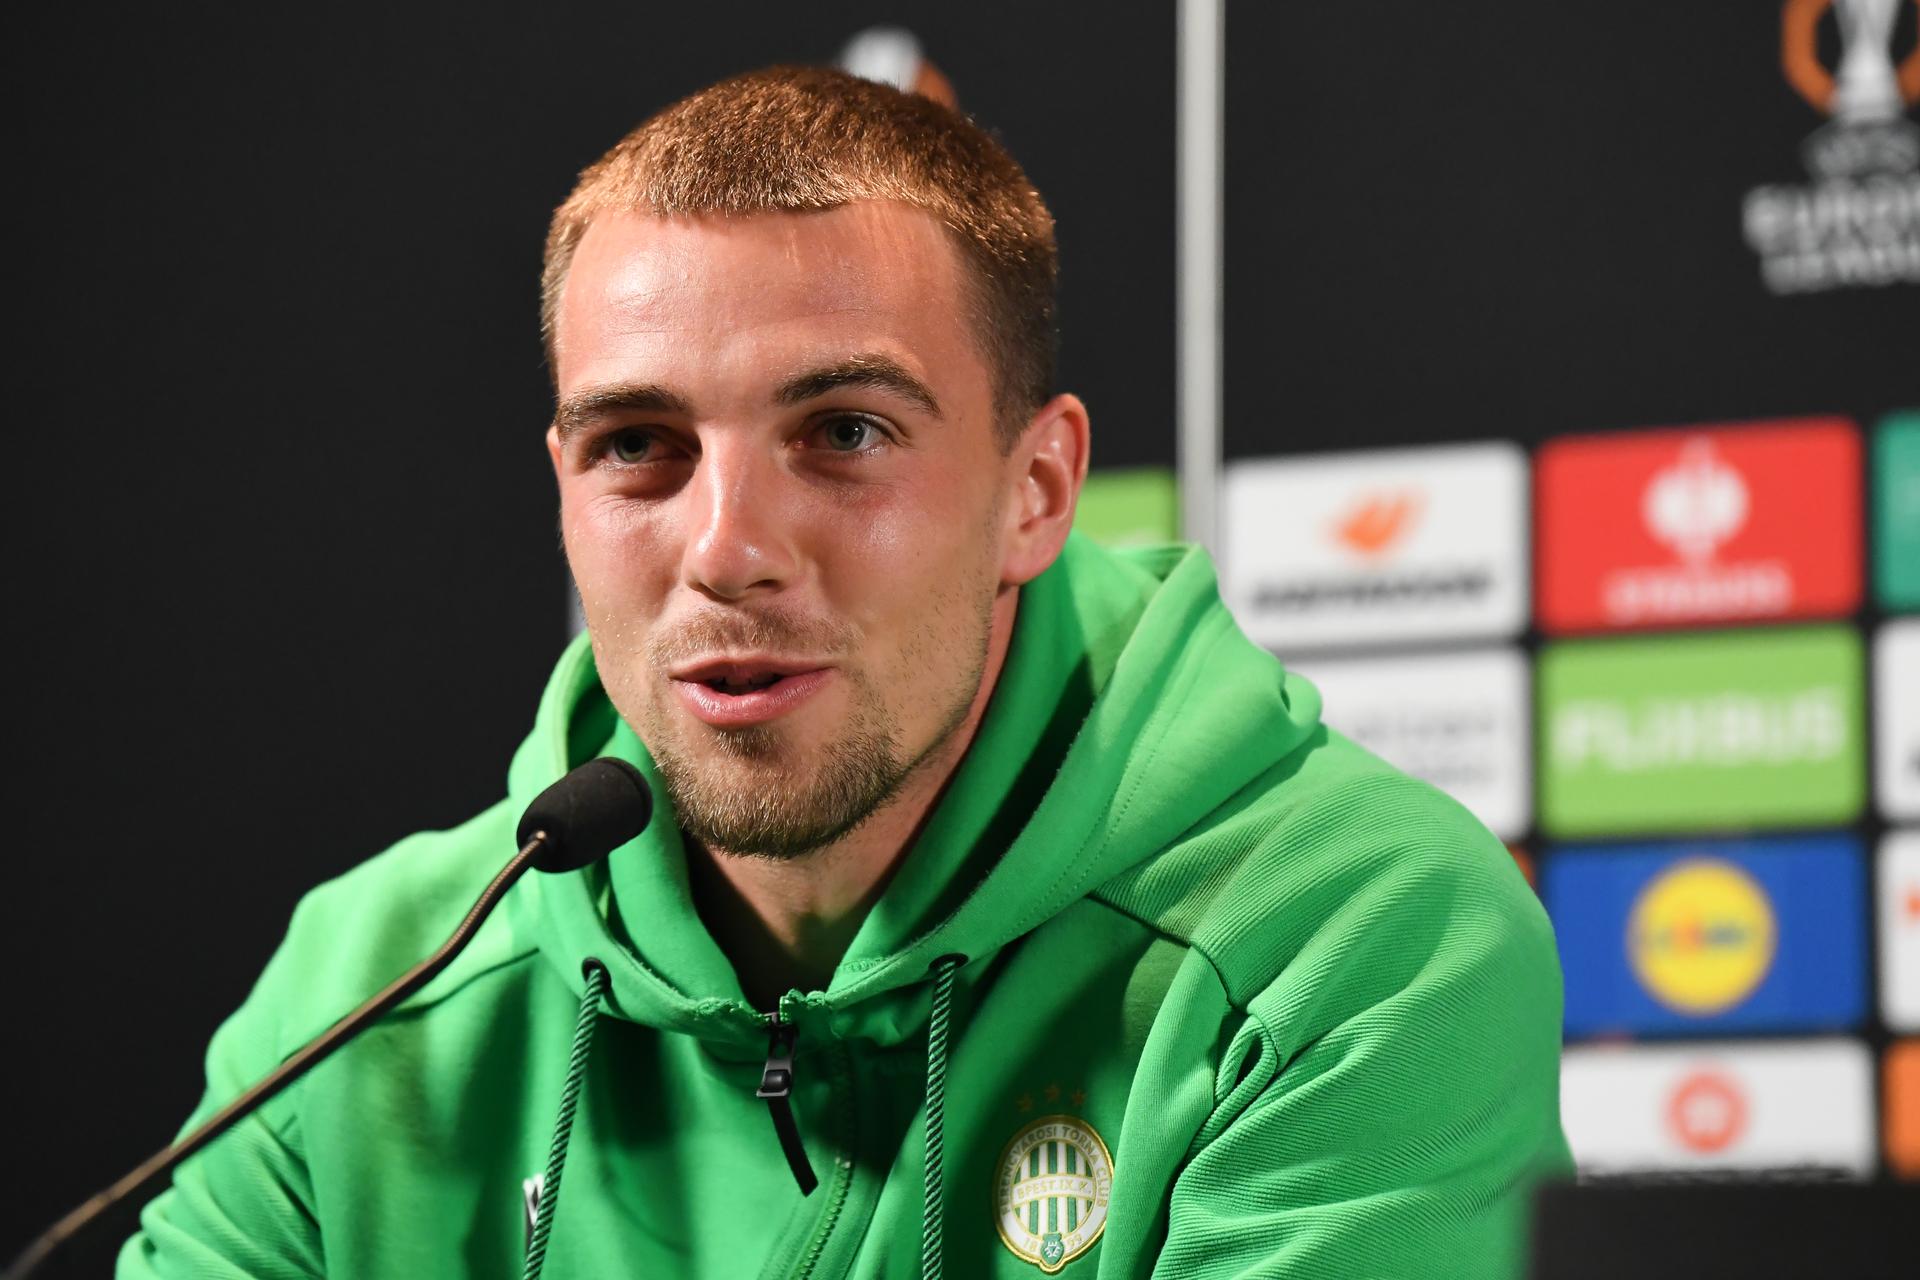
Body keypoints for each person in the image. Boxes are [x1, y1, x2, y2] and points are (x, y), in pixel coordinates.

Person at [119, 66, 1571, 1279]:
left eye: (845, 433)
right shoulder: (368, 995)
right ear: (563, 488)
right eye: (639, 448)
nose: (729, 548)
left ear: (1038, 489)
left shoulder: (1357, 947)